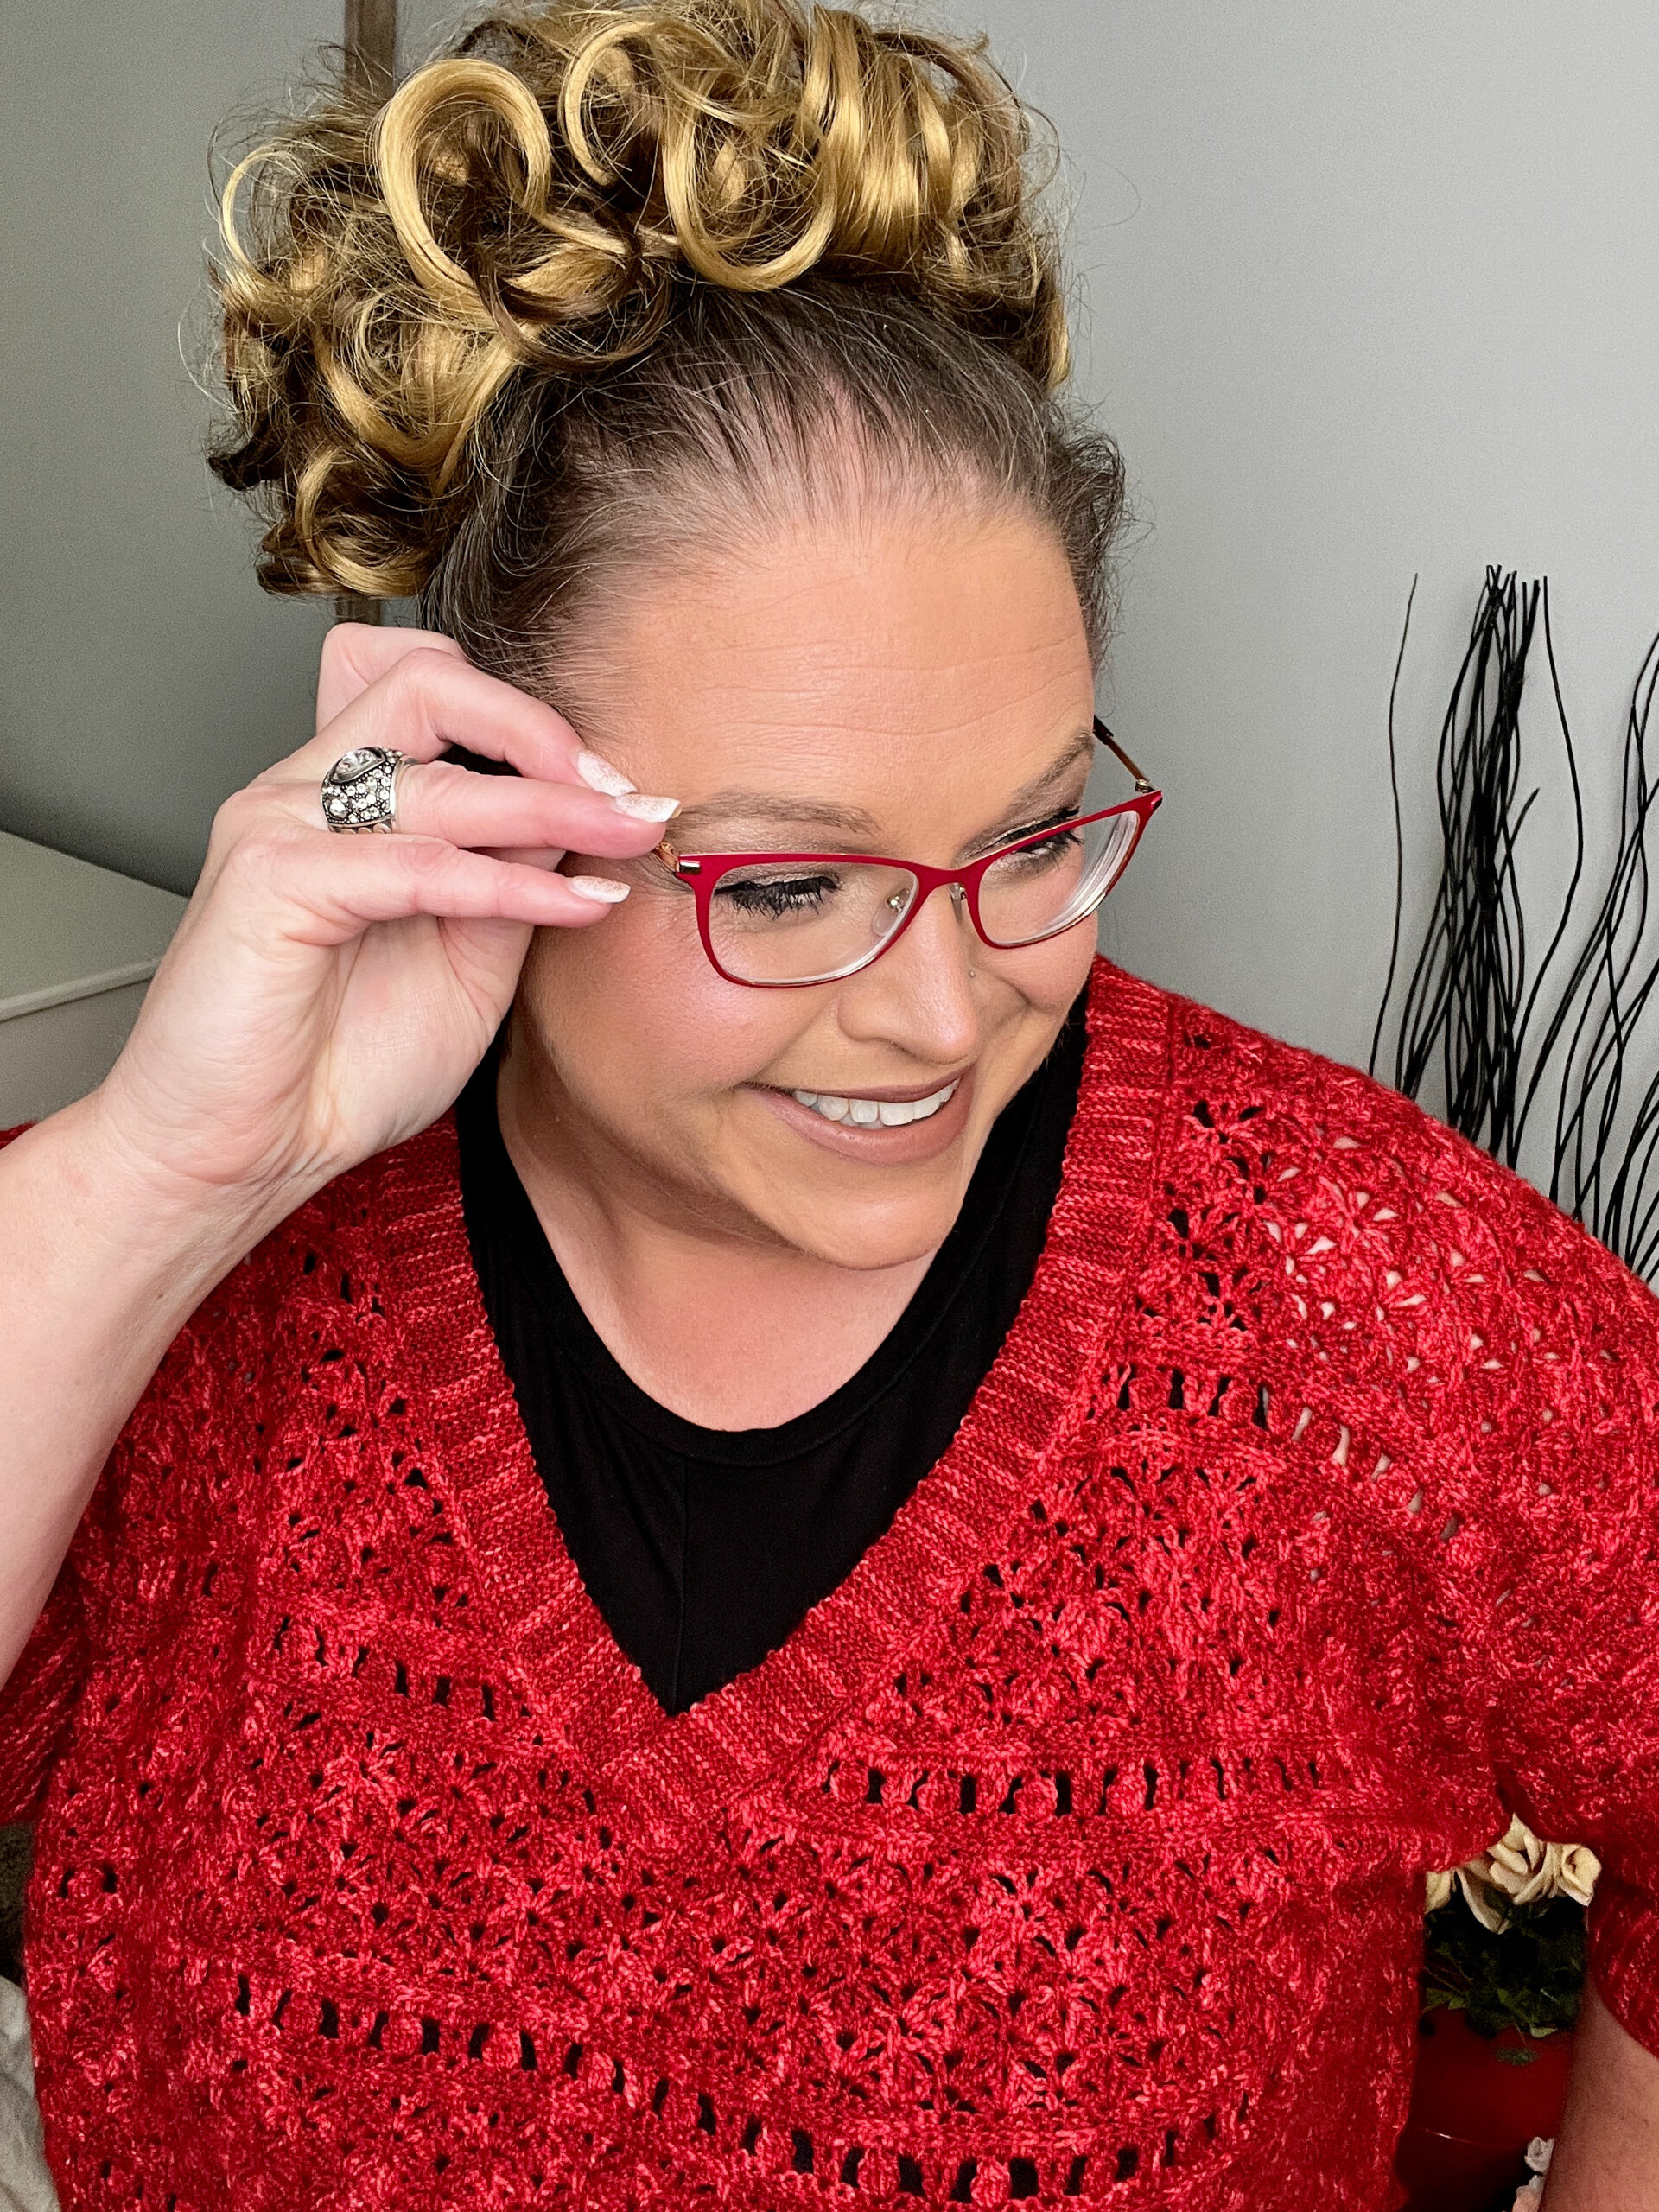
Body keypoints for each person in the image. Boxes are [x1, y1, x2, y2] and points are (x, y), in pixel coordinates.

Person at [1, 2, 1656, 2202]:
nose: (949, 1008)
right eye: (790, 877)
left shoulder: (1356, 1304)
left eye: (1039, 831)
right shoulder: (180, 1285)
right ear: (485, 784)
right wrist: (165, 1172)